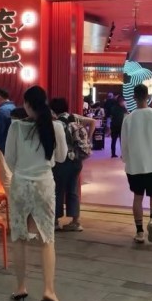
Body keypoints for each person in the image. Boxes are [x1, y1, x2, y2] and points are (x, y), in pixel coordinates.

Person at [6, 86, 67, 301]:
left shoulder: (16, 127)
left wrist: (23, 171)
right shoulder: (56, 127)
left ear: (28, 104)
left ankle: (21, 287)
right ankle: (49, 290)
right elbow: (61, 157)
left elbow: (9, 159)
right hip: (44, 185)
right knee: (47, 238)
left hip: (20, 185)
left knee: (19, 237)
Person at [121, 84, 152, 244]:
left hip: (136, 163)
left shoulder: (128, 118)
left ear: (134, 97)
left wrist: (126, 160)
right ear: (148, 97)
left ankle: (140, 232)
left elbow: (124, 143)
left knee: (137, 196)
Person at [51, 98, 96, 232]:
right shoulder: (75, 117)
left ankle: (55, 221)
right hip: (76, 160)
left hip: (62, 160)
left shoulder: (56, 123)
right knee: (73, 189)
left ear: (53, 110)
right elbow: (93, 122)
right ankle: (75, 222)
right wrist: (88, 138)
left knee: (58, 190)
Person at [0, 88, 16, 196]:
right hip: (14, 147)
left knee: (5, 177)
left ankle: (12, 200)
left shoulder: (2, 111)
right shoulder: (14, 108)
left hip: (2, 146)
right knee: (12, 174)